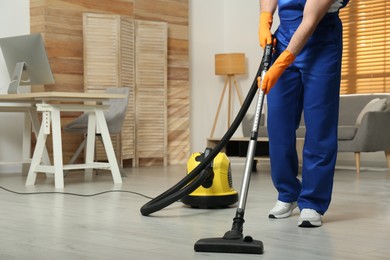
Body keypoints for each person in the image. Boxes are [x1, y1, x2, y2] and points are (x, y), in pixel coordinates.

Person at [258, 0, 349, 227]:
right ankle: (287, 192)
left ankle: (312, 201)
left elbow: (310, 19)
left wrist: (283, 62)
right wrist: (265, 16)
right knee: (278, 124)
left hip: (321, 39)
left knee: (319, 124)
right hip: (285, 35)